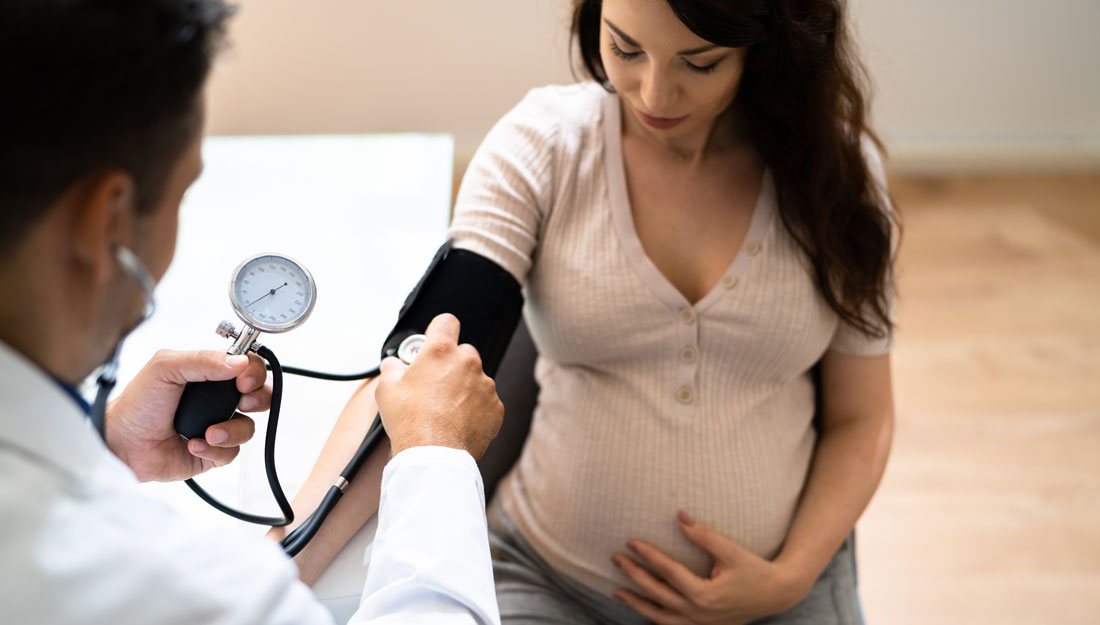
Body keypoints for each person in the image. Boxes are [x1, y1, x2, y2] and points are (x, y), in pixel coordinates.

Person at [286, 0, 897, 623]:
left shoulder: (839, 177)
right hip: (545, 579)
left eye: (701, 62)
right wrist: (281, 566)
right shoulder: (545, 146)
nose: (654, 91)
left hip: (773, 596)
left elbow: (862, 417)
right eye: (626, 49)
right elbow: (422, 375)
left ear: (767, 45)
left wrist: (789, 579)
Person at [0, 1, 503, 623]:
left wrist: (105, 447)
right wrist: (436, 455)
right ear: (106, 221)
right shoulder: (178, 589)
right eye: (184, 191)